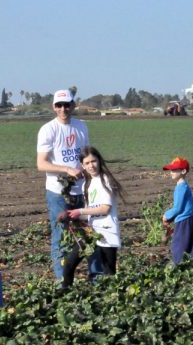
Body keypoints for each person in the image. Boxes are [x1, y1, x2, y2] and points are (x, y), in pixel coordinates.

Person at [36, 89, 95, 282]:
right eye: (59, 105)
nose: (63, 109)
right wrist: (67, 170)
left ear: (73, 105)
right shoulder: (48, 129)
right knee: (61, 235)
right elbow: (41, 163)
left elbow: (86, 155)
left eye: (67, 105)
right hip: (58, 192)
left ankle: (96, 277)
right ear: (54, 107)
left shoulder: (81, 127)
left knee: (88, 234)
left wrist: (91, 173)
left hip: (81, 190)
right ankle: (63, 283)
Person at [62, 146, 125, 285]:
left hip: (107, 232)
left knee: (109, 273)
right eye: (87, 163)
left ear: (99, 160)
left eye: (93, 161)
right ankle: (64, 293)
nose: (91, 166)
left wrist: (80, 211)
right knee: (69, 264)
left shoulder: (105, 180)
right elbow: (91, 211)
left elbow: (104, 209)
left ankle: (112, 302)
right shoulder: (88, 183)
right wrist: (71, 216)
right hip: (91, 232)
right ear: (82, 165)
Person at [161, 156, 193, 264]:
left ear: (183, 171)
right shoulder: (184, 186)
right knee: (192, 246)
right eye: (171, 170)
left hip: (184, 221)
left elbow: (178, 208)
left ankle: (175, 268)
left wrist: (166, 215)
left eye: (174, 170)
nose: (171, 172)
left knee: (178, 246)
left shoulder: (181, 187)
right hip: (190, 219)